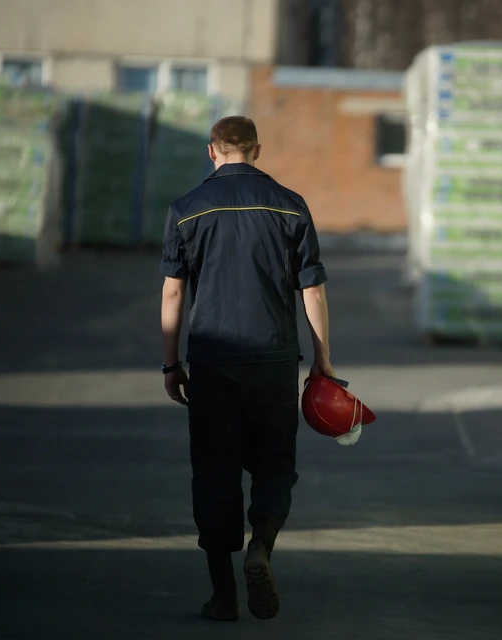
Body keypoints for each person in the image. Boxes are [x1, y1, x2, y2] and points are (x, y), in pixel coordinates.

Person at [158, 115, 335, 622]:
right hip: (274, 359)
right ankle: (261, 546)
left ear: (211, 151)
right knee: (275, 465)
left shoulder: (186, 210)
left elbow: (173, 292)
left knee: (215, 473)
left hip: (212, 361)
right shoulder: (290, 205)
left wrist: (171, 364)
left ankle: (223, 596)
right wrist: (322, 361)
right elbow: (314, 290)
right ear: (258, 150)